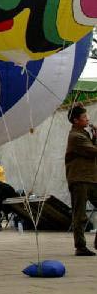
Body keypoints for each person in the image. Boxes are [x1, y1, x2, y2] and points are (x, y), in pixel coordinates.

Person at [65, 105, 97, 256]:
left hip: (90, 178)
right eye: (84, 117)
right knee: (80, 214)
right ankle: (80, 246)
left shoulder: (83, 134)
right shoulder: (76, 137)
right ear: (75, 120)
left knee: (81, 213)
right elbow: (93, 152)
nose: (88, 119)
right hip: (79, 179)